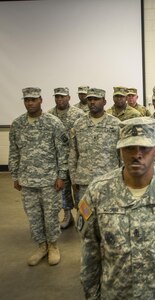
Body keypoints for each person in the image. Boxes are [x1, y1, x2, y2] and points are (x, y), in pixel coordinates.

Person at [77, 117, 155, 299]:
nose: (137, 154)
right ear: (120, 150)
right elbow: (89, 253)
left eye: (144, 148)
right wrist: (92, 296)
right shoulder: (98, 192)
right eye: (129, 147)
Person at [8, 87, 69, 266]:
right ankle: (41, 246)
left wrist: (61, 176)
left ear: (41, 100)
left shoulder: (53, 123)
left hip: (49, 180)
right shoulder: (18, 124)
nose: (30, 103)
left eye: (33, 99)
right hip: (27, 180)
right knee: (33, 216)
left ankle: (53, 246)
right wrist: (15, 175)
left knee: (50, 215)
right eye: (27, 100)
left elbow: (62, 152)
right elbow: (14, 151)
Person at [69, 88, 121, 202]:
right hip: (84, 181)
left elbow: (121, 154)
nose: (92, 102)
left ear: (104, 101)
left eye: (96, 99)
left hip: (109, 180)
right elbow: (73, 153)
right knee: (85, 216)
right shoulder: (79, 124)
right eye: (90, 99)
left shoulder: (116, 124)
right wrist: (73, 179)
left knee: (108, 215)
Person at [48, 87, 85, 229]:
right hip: (58, 158)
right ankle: (67, 215)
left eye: (62, 97)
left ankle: (81, 216)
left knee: (78, 188)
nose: (60, 99)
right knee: (62, 189)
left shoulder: (79, 114)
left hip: (76, 157)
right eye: (57, 97)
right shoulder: (50, 115)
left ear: (69, 98)